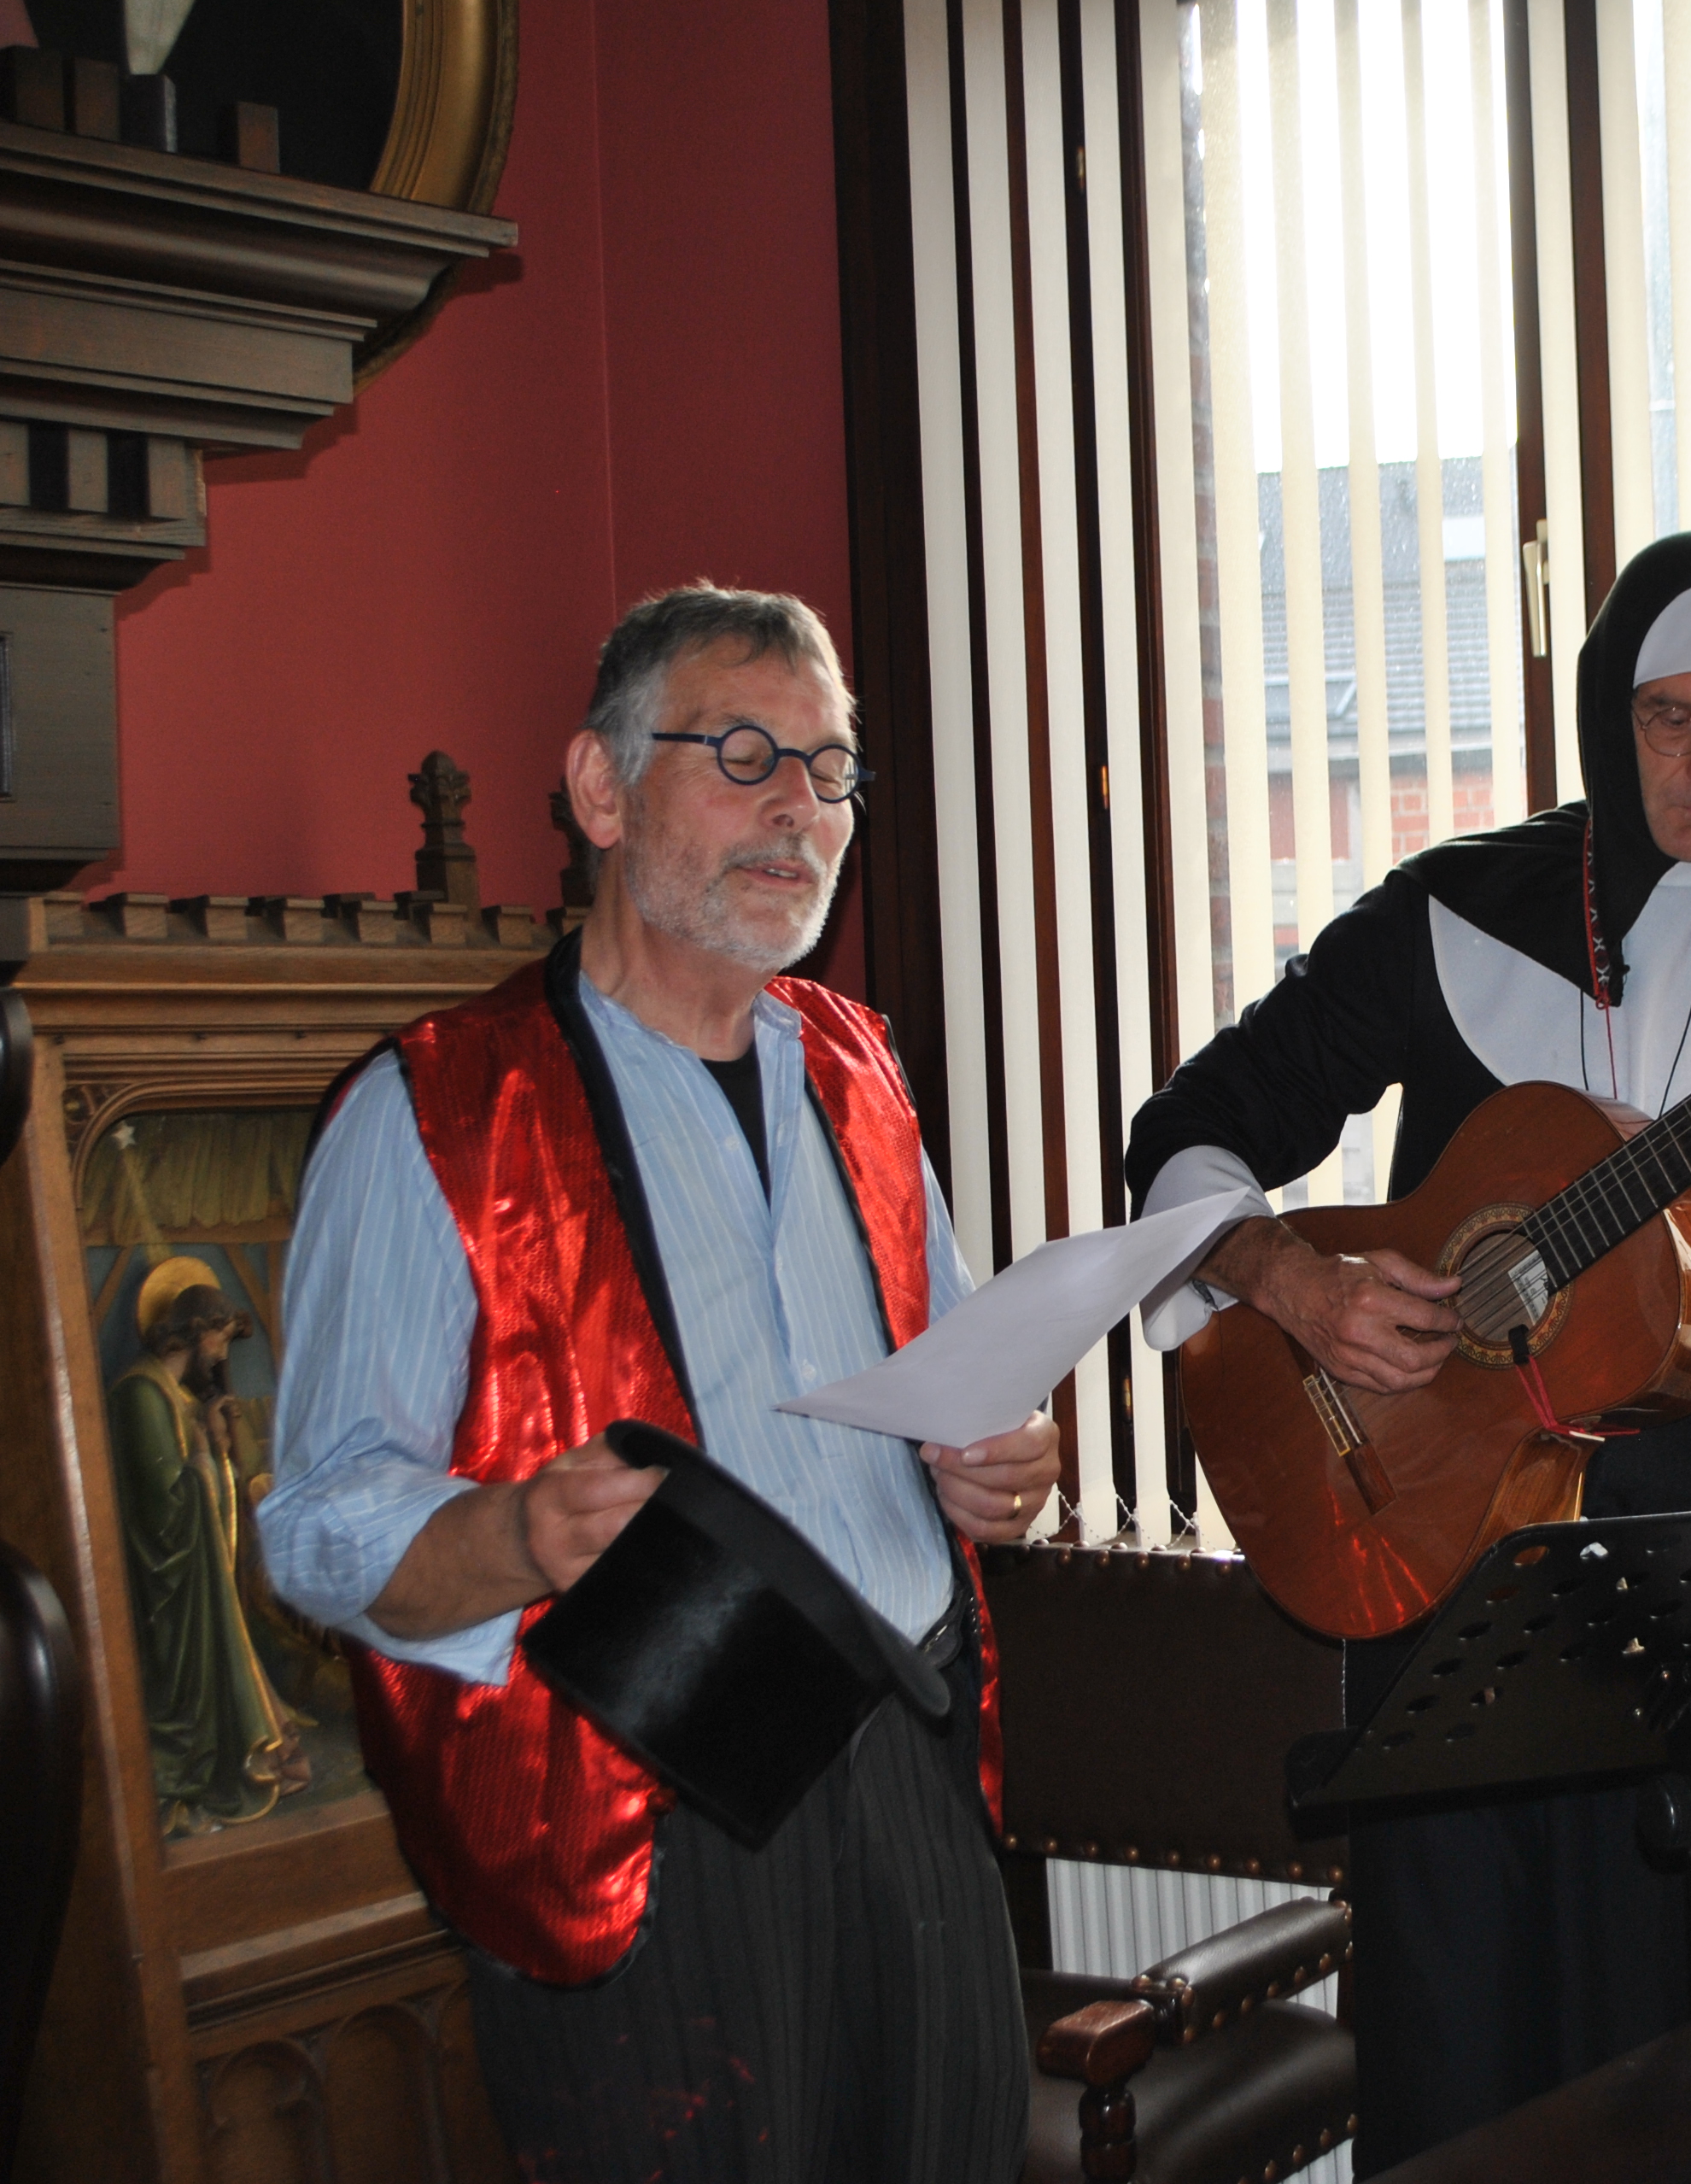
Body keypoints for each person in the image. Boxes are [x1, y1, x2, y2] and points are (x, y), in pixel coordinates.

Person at [1128, 529, 1691, 2168]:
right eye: (1673, 720)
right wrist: (1288, 1280)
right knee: (1462, 2102)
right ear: (1607, 710)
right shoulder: (1451, 915)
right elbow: (1187, 1134)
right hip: (1447, 1606)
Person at [261, 585, 1061, 2184]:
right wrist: (513, 1535)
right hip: (654, 1820)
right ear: (602, 789)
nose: (800, 809)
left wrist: (1003, 1460)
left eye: (830, 771)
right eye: (746, 755)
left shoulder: (859, 1067)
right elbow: (316, 1523)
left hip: (911, 1766)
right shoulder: (439, 1110)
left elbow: (961, 1377)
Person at [108, 1256, 307, 1834]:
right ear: (193, 1334)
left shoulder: (175, 1395)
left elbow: (208, 1482)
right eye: (218, 1342)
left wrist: (216, 1445)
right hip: (168, 1590)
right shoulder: (140, 1394)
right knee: (185, 1699)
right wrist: (205, 1456)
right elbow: (163, 1512)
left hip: (197, 1582)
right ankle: (195, 1774)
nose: (221, 1357)